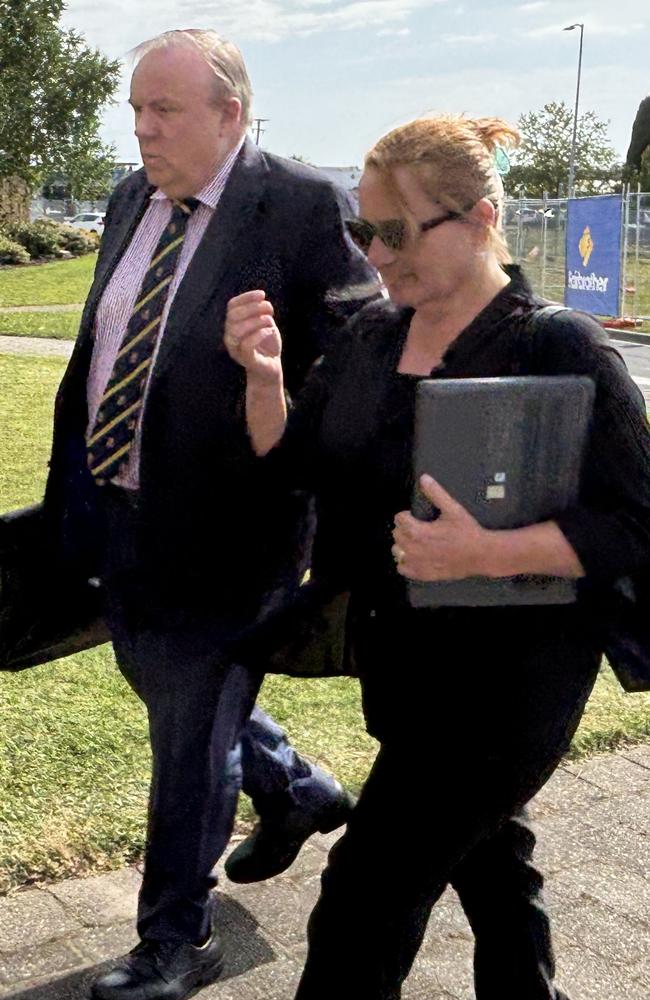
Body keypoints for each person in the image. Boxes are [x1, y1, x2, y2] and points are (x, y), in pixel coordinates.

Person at [224, 114, 650, 999]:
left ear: (482, 218)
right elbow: (304, 461)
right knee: (495, 868)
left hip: (508, 688)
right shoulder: (373, 335)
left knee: (360, 903)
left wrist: (484, 552)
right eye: (362, 230)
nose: (375, 254)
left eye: (396, 231)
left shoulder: (557, 345)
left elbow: (638, 522)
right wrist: (264, 381)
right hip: (405, 666)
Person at [41, 28, 377, 1000]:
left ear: (230, 114)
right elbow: (110, 345)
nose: (143, 128)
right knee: (173, 690)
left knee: (188, 734)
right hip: (121, 510)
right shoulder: (125, 197)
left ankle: (172, 942)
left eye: (165, 111)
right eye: (137, 109)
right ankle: (297, 788)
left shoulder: (299, 202)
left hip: (239, 532)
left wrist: (272, 371)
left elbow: (356, 359)